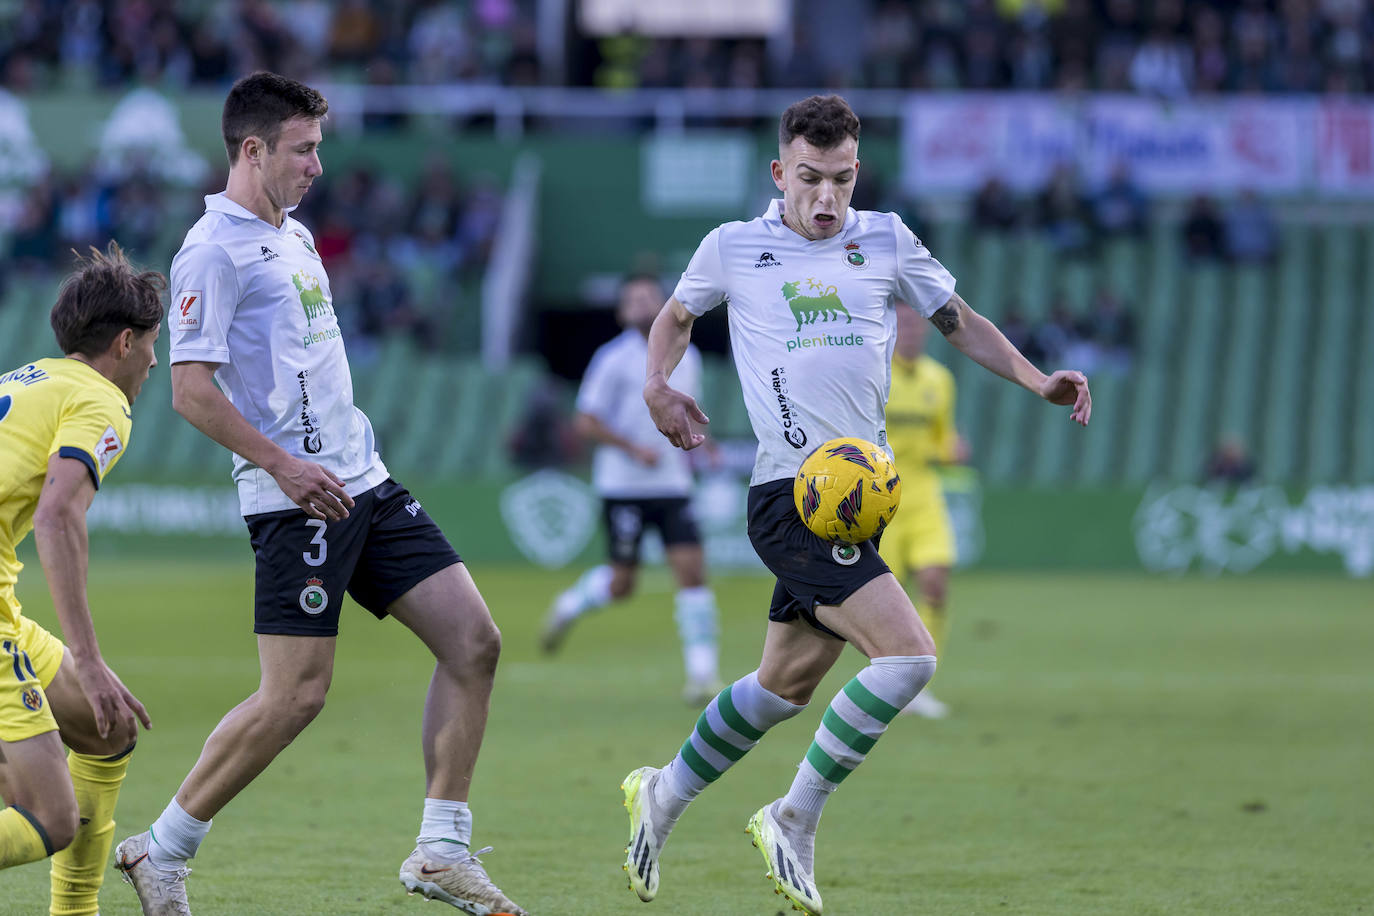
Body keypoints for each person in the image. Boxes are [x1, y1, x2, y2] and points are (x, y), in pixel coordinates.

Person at [623, 94, 1091, 915]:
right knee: (908, 659)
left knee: (782, 686)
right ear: (780, 172)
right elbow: (674, 316)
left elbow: (959, 320)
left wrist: (1035, 377)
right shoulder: (734, 247)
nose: (826, 197)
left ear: (857, 172)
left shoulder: (887, 238)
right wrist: (657, 386)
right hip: (791, 495)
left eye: (840, 179)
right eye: (809, 178)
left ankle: (662, 794)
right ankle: (792, 817)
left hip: (856, 502)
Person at [113, 72, 526, 916]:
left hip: (363, 482)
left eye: (319, 148)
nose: (317, 165)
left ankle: (441, 847)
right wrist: (284, 467)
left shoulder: (293, 237)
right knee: (295, 694)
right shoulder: (211, 250)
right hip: (294, 500)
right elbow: (190, 390)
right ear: (253, 149)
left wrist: (332, 460)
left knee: (475, 643)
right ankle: (163, 848)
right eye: (303, 150)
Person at [0, 242, 163, 916]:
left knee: (107, 729)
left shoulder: (24, 377)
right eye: (154, 346)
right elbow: (58, 513)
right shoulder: (101, 401)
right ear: (125, 342)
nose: (156, 362)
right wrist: (90, 660)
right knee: (47, 818)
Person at [540, 273, 722, 705]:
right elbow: (585, 421)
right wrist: (633, 449)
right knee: (623, 584)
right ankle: (570, 604)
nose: (641, 304)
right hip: (623, 486)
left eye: (648, 297)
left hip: (673, 484)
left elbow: (688, 413)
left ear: (662, 303)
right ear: (623, 312)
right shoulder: (612, 359)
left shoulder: (688, 356)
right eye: (632, 299)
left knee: (692, 573)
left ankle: (702, 675)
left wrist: (707, 446)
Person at [878, 305, 966, 719]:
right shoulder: (875, 373)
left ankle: (921, 686)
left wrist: (951, 450)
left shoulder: (940, 380)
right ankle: (892, 679)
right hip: (883, 496)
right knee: (886, 598)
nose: (911, 331)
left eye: (917, 324)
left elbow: (941, 438)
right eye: (903, 324)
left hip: (925, 494)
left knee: (935, 583)